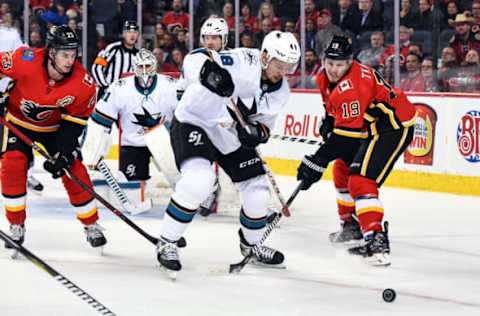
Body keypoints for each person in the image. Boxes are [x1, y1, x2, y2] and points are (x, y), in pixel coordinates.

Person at [156, 31, 300, 276]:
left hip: (228, 133)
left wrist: (256, 133)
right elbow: (196, 59)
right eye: (279, 64)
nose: (283, 71)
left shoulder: (281, 90)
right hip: (195, 119)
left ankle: (251, 245)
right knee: (199, 181)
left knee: (258, 193)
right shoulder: (244, 61)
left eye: (290, 66)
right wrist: (209, 74)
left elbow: (265, 124)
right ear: (265, 57)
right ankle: (167, 242)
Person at [296, 35, 416, 266]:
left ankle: (376, 239)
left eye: (339, 64)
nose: (333, 69)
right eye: (330, 63)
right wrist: (329, 121)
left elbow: (347, 138)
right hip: (369, 125)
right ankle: (350, 226)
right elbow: (333, 112)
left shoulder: (352, 87)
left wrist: (318, 160)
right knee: (341, 170)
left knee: (360, 180)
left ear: (350, 62)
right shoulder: (323, 77)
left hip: (393, 126)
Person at [0, 25, 106, 249]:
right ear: (51, 52)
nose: (70, 60)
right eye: (64, 55)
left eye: (73, 54)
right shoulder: (25, 59)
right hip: (18, 122)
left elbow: (75, 122)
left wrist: (64, 152)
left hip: (54, 129)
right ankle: (16, 225)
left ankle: (91, 224)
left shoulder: (83, 83)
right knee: (13, 164)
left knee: (73, 168)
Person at [82, 48, 178, 209]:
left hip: (164, 140)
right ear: (134, 67)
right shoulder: (120, 88)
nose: (145, 70)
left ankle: (189, 197)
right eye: (141, 67)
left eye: (148, 66)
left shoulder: (171, 86)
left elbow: (188, 113)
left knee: (179, 176)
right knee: (130, 197)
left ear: (155, 66)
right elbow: (99, 120)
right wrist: (95, 151)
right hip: (132, 144)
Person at [91, 20, 139, 99]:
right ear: (124, 34)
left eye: (135, 32)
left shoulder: (138, 55)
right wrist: (105, 87)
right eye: (129, 32)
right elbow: (97, 67)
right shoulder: (113, 48)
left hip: (127, 97)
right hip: (108, 95)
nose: (132, 35)